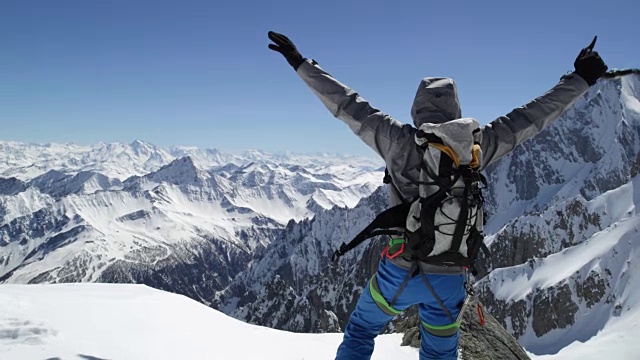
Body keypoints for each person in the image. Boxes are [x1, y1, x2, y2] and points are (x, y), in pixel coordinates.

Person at [267, 31, 607, 360]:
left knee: (360, 330)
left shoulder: (397, 140)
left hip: (400, 272)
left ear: (417, 110)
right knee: (439, 354)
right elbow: (531, 118)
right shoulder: (477, 147)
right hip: (450, 277)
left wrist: (301, 63)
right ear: (456, 111)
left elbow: (346, 105)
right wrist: (580, 79)